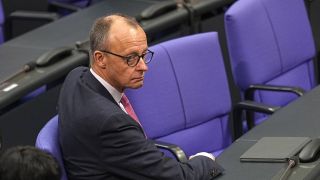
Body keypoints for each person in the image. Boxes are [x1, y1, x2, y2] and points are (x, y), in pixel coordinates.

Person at [58, 13, 223, 180]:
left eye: (143, 55)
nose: (143, 67)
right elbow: (179, 177)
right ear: (100, 58)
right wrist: (206, 160)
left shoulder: (76, 78)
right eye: (131, 58)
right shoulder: (111, 124)